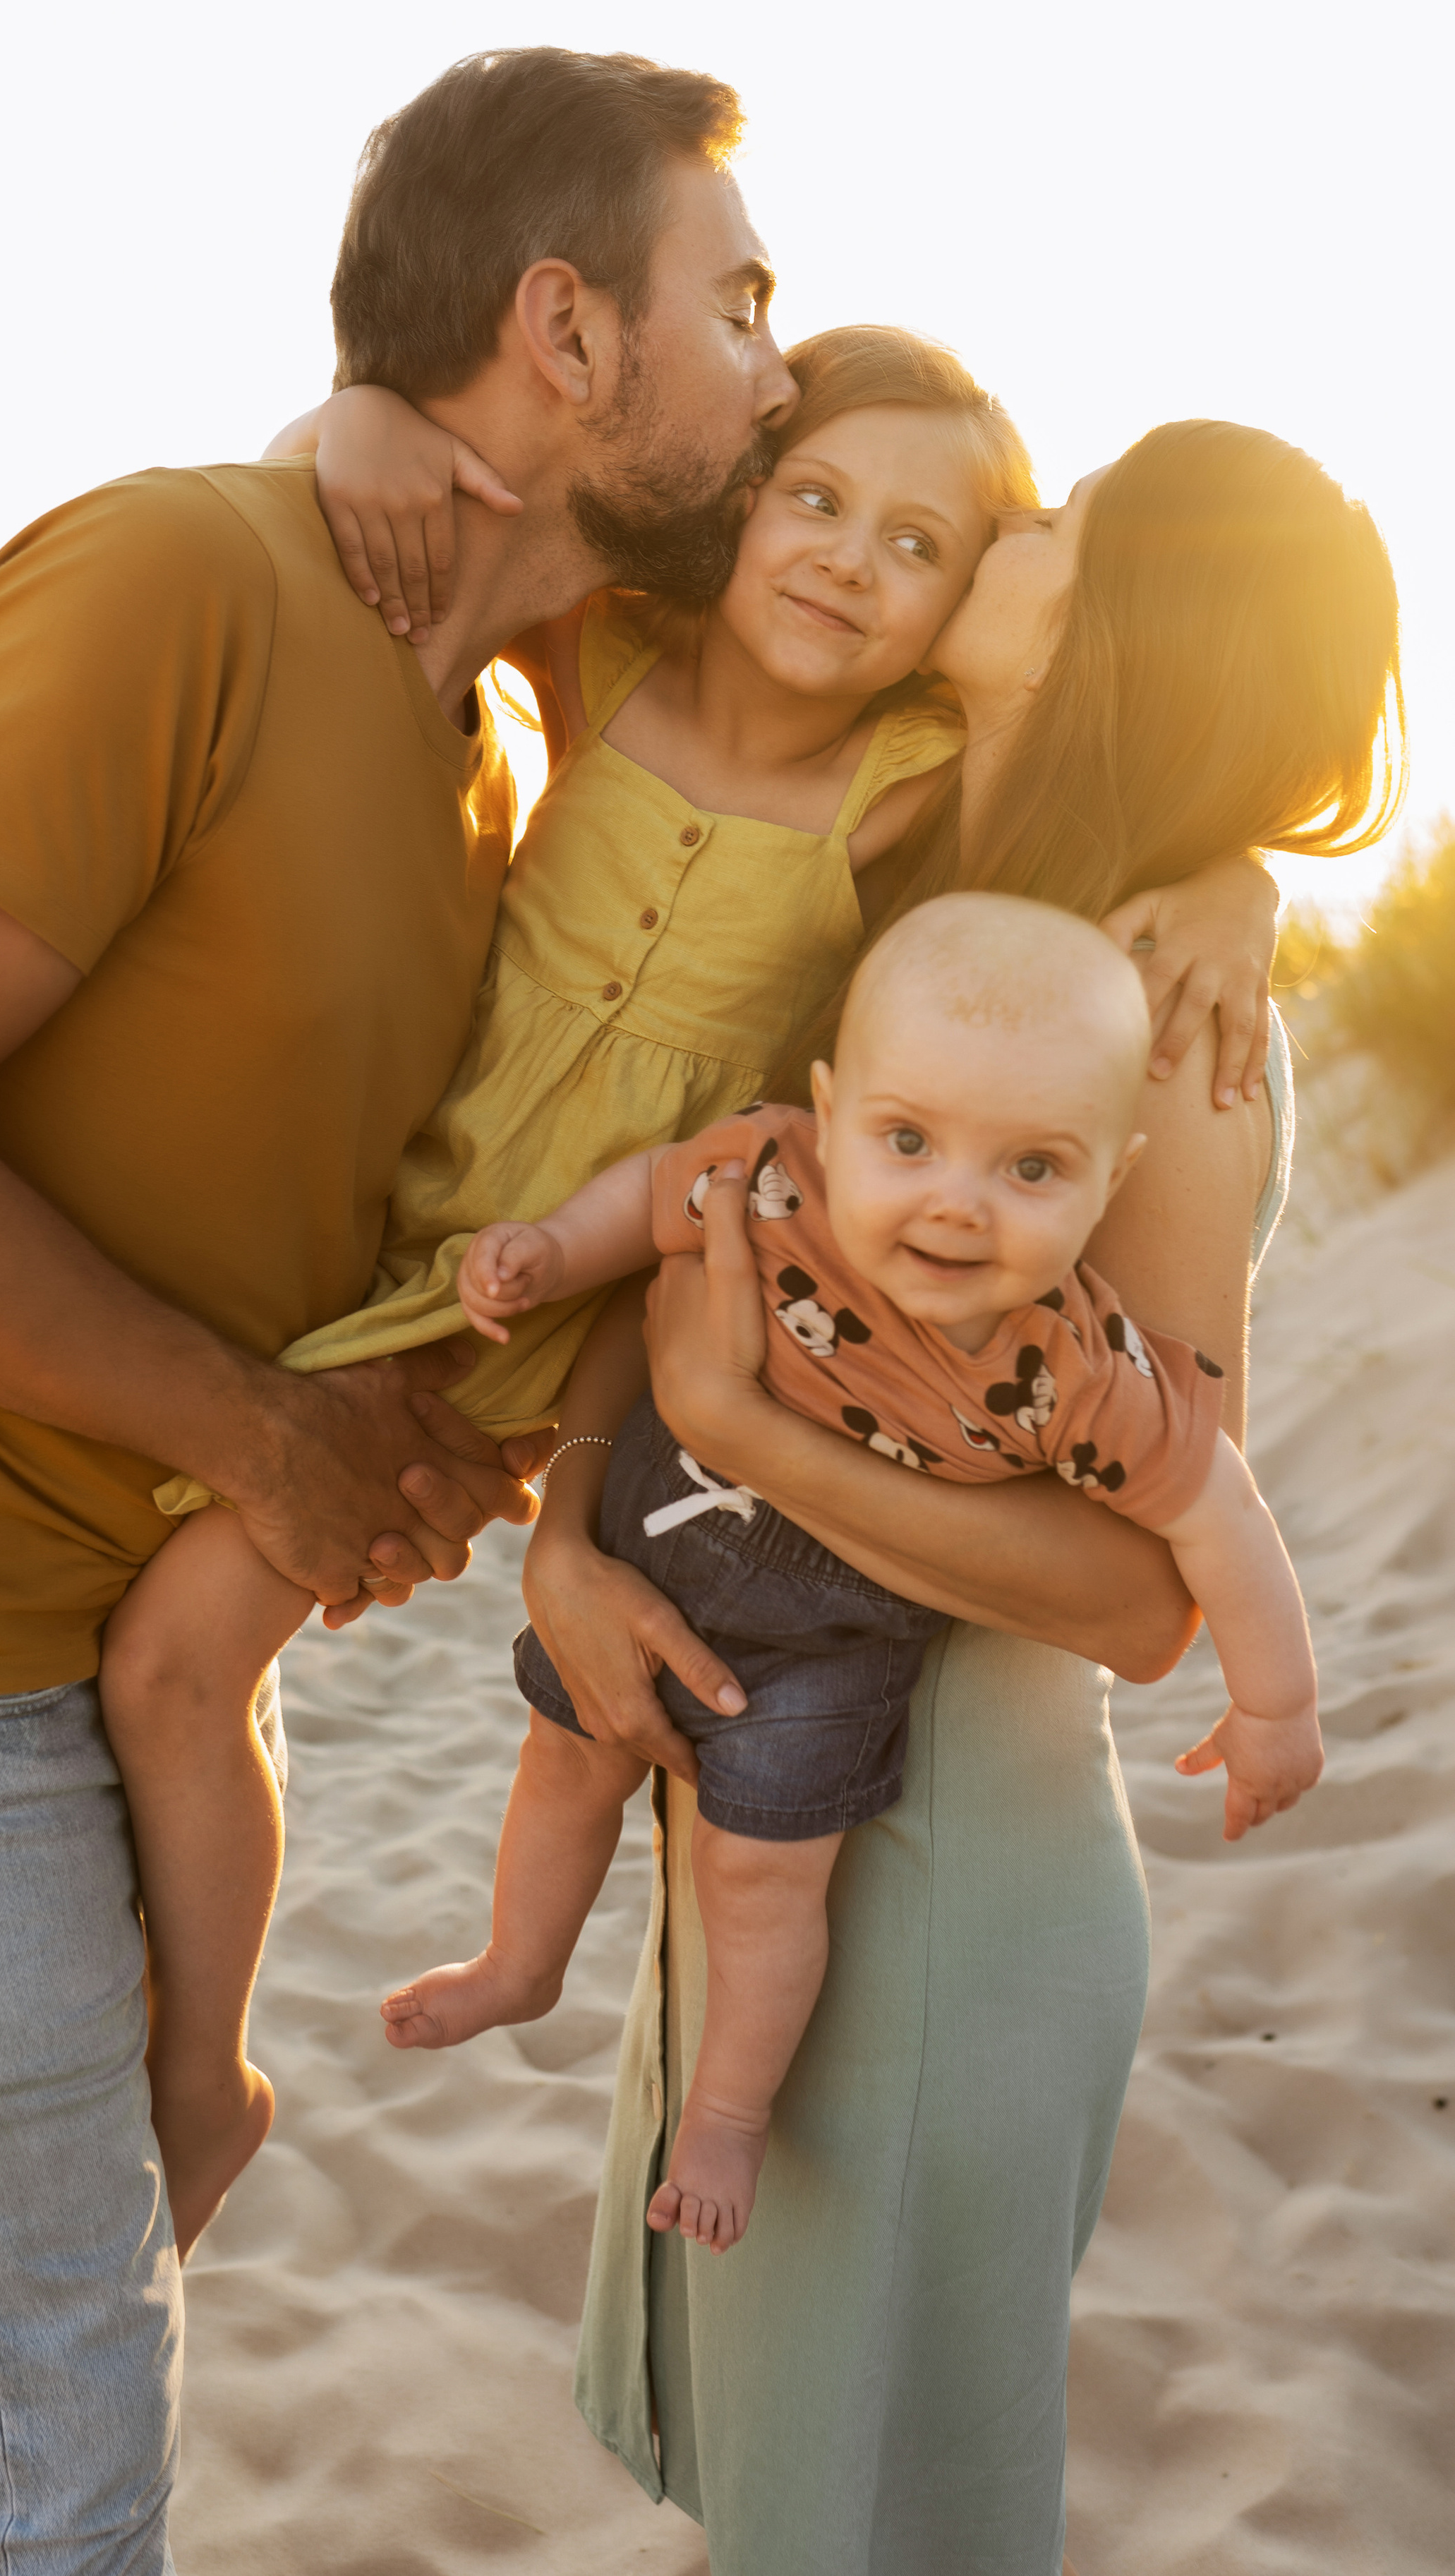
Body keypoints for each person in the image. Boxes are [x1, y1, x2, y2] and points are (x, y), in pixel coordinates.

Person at [0, 44, 799, 2571]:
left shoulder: (522, 724)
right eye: (736, 298)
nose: (777, 358)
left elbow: (931, 604)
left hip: (148, 1616)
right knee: (68, 2411)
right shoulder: (179, 582)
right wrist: (270, 1436)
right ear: (565, 328)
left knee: (31, 2360)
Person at [92, 330, 1279, 2264]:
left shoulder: (918, 792)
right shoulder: (616, 653)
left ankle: (201, 2071)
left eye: (950, 537)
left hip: (621, 1300)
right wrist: (367, 418)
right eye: (813, 501)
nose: (868, 560)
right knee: (149, 1614)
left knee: (176, 1653)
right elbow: (426, 534)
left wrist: (1243, 878)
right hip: (471, 1236)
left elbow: (1116, 820)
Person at [521, 422, 1402, 2572]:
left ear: (1114, 639)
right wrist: (568, 1531)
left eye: (1064, 524)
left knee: (872, 2521)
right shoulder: (926, 894)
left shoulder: (1162, 1043)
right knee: (795, 2492)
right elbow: (709, 1236)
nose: (1012, 531)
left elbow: (1139, 1591)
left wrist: (761, 1442)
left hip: (938, 1892)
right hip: (779, 1836)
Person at [378, 894, 1320, 2260]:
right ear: (828, 1110)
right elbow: (643, 1202)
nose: (957, 1201)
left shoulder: (1081, 1370)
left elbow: (1221, 1517)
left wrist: (1276, 1703)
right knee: (566, 1755)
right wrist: (548, 1250)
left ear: (1114, 1181)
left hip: (832, 1640)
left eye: (1032, 1170)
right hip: (661, 1528)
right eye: (908, 1141)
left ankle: (728, 2114)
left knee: (765, 1877)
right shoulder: (771, 1173)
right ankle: (519, 1965)